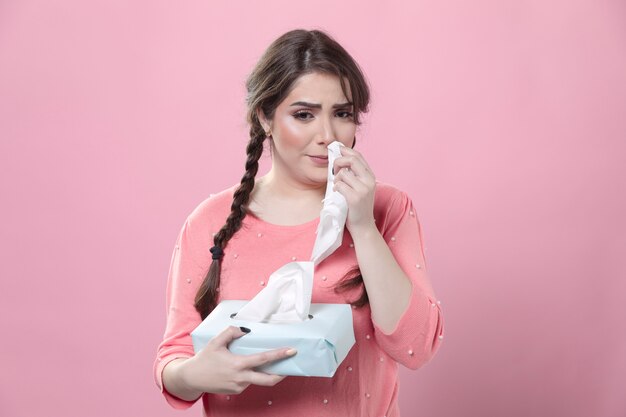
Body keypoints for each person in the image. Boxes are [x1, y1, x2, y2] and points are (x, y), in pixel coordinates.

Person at [153, 28, 445, 417]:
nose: (326, 135)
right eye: (303, 115)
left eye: (342, 114)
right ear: (265, 118)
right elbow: (174, 357)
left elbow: (417, 345)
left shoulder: (387, 208)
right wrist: (195, 374)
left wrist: (361, 224)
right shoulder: (210, 222)